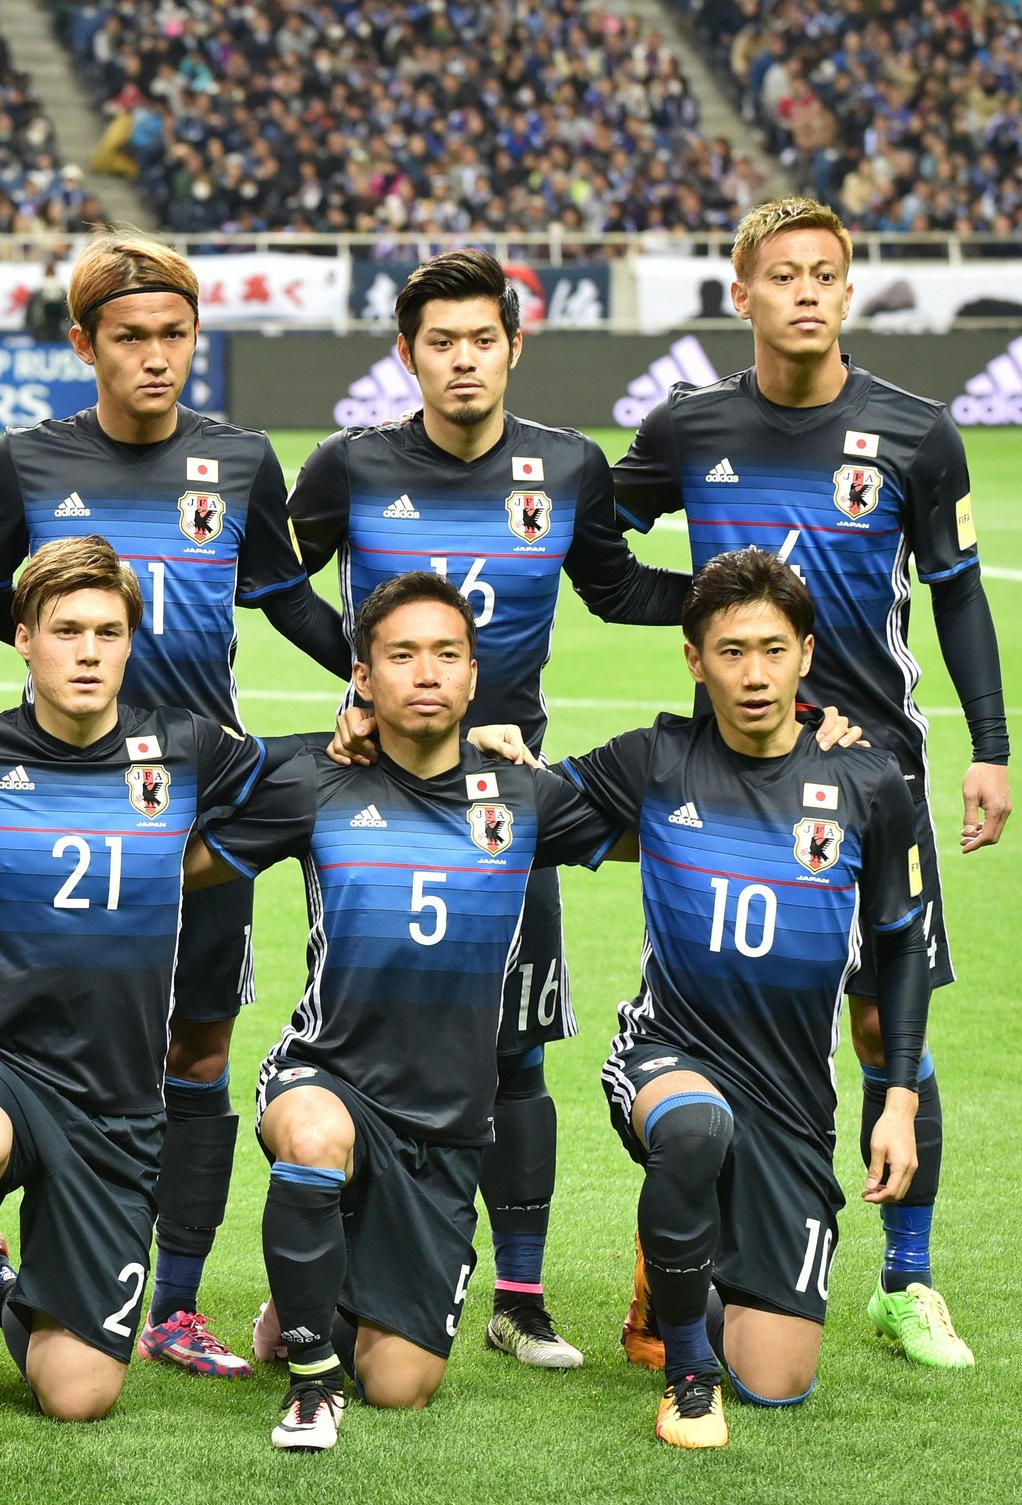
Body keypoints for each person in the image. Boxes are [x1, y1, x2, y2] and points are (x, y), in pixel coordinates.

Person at [0, 233, 345, 1380]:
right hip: (49, 809)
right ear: (84, 345)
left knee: (197, 1046)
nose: (157, 358)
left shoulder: (241, 459)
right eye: (131, 337)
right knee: (32, 1032)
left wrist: (392, 689)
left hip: (195, 810)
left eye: (174, 336)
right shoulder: (27, 462)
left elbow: (291, 601)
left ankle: (179, 1300)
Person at [611, 196, 1003, 1369]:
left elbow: (959, 593)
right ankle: (683, 1235)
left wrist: (989, 746)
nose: (806, 292)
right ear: (743, 294)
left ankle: (908, 1275)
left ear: (847, 287)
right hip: (733, 766)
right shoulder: (691, 427)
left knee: (885, 1013)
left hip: (874, 766)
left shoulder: (915, 431)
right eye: (782, 274)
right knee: (721, 1002)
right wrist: (695, 614)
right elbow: (595, 544)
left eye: (826, 272)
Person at [285, 248, 689, 1370]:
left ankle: (519, 1293)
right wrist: (364, 683)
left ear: (515, 345)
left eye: (482, 339)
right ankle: (344, 1259)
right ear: (406, 355)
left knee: (518, 1047)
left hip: (509, 803)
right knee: (366, 1037)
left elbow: (613, 587)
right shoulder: (350, 464)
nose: (462, 360)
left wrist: (742, 596)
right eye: (439, 343)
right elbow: (271, 580)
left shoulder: (566, 466)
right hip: (376, 793)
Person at [0, 536, 301, 1462]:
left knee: (79, 1396)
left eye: (108, 631)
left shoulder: (183, 750)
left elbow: (303, 774)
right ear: (23, 638)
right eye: (66, 629)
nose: (87, 650)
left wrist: (398, 739)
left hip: (116, 1104)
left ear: (129, 643)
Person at [205, 571, 630, 1450]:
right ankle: (313, 1374)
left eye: (447, 655)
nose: (426, 673)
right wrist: (4, 898)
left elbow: (671, 821)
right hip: (328, 1077)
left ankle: (305, 1290)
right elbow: (171, 848)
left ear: (476, 679)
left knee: (401, 1387)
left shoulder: (522, 795)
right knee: (315, 1141)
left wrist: (810, 750)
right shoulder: (312, 781)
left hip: (446, 1125)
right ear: (363, 677)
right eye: (401, 656)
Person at [554, 549, 931, 1448]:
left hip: (794, 1103)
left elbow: (900, 948)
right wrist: (477, 749)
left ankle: (678, 1264)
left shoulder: (868, 783)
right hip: (668, 1055)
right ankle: (687, 1376)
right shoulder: (653, 761)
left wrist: (902, 1098)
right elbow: (521, 814)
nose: (752, 674)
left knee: (778, 1380)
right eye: (729, 651)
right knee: (693, 1129)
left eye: (771, 648)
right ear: (694, 660)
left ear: (806, 652)